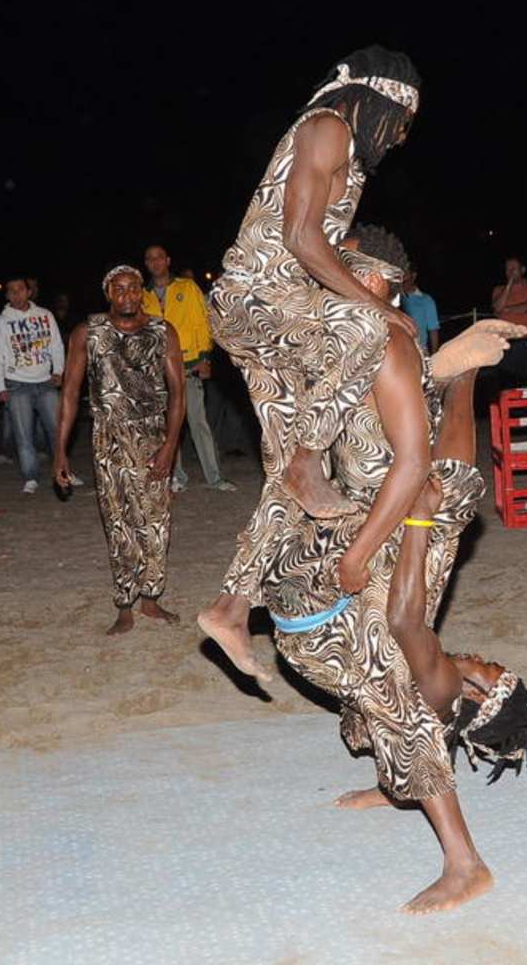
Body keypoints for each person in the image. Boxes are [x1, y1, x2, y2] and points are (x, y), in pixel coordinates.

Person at [264, 239, 527, 913]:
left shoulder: (441, 686)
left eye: (489, 669)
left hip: (414, 538)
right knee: (380, 688)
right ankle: (399, 789)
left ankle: (466, 865)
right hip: (376, 551)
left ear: (479, 695)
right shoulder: (434, 681)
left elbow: (407, 617)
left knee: (444, 485)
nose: (483, 657)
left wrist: (412, 519)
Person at [200, 46, 429, 681]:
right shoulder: (327, 127)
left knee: (286, 479)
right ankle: (308, 459)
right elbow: (301, 238)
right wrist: (374, 303)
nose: (402, 136)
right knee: (368, 325)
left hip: (278, 318)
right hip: (256, 298)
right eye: (403, 121)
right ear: (380, 100)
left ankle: (230, 606)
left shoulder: (346, 155)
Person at [54, 264, 187, 634]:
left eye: (133, 288)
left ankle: (151, 598)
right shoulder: (88, 332)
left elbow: (178, 393)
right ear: (108, 294)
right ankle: (125, 603)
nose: (127, 295)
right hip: (109, 437)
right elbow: (69, 395)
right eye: (119, 289)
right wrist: (60, 450)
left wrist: (170, 446)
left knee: (156, 520)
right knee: (118, 522)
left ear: (142, 291)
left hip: (153, 434)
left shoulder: (162, 331)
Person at [141, 244, 237, 493]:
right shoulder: (142, 296)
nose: (155, 262)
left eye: (159, 257)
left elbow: (201, 322)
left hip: (190, 363)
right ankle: (176, 476)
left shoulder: (187, 287)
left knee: (198, 421)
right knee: (168, 426)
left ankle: (215, 477)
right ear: (146, 264)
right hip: (160, 368)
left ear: (168, 260)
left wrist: (205, 357)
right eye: (150, 259)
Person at [0, 275, 66, 494]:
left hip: (45, 382)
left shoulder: (45, 315)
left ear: (29, 292)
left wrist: (58, 371)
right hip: (16, 385)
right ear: (7, 295)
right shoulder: (1, 322)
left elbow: (56, 345)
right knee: (23, 436)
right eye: (11, 290)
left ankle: (63, 472)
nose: (17, 294)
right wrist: (0, 387)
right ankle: (31, 477)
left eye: (20, 289)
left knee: (57, 431)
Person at [490, 256, 527, 383]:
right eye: (507, 269)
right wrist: (509, 285)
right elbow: (497, 307)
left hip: (526, 344)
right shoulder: (498, 290)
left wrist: (506, 309)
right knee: (505, 384)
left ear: (522, 270)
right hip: (504, 344)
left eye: (514, 268)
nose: (510, 272)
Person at [398, 255, 441, 354]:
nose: (402, 278)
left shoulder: (426, 300)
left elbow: (433, 330)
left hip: (419, 352)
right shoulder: (393, 298)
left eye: (405, 274)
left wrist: (434, 355)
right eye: (400, 274)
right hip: (397, 352)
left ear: (413, 276)